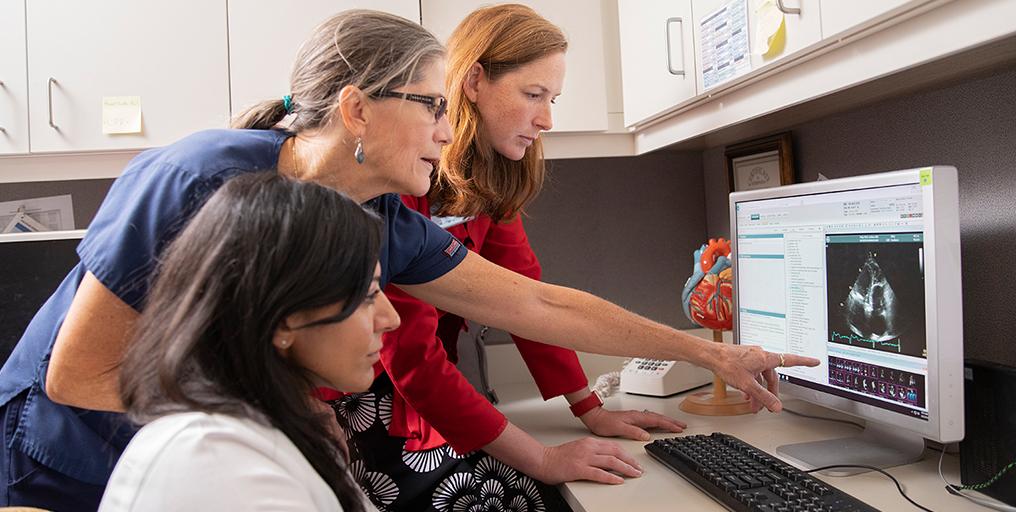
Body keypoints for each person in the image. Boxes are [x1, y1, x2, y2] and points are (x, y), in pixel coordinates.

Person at [0, 9, 815, 510]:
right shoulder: (197, 180)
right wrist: (282, 424)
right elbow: (78, 379)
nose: (442, 127)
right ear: (356, 108)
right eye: (431, 105)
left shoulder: (374, 216)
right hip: (68, 461)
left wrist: (710, 351)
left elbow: (537, 305)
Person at [335, 6, 684, 510]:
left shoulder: (491, 181)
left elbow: (531, 303)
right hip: (376, 401)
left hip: (427, 394)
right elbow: (409, 354)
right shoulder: (405, 178)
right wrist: (542, 460)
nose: (546, 119)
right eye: (533, 94)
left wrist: (589, 407)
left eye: (553, 98)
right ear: (474, 80)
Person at [99, 172, 393, 511]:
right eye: (367, 295)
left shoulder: (276, 430)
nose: (390, 319)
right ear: (282, 318)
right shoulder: (213, 460)